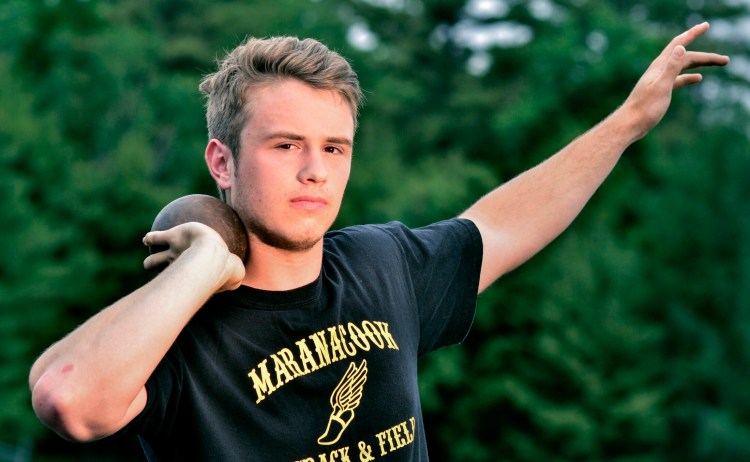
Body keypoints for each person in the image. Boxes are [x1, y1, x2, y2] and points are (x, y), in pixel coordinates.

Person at [29, 23, 729, 461]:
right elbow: (69, 400)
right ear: (222, 162)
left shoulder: (382, 263)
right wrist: (206, 264)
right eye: (286, 145)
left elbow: (504, 221)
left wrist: (628, 123)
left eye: (335, 147)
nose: (316, 170)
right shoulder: (173, 334)